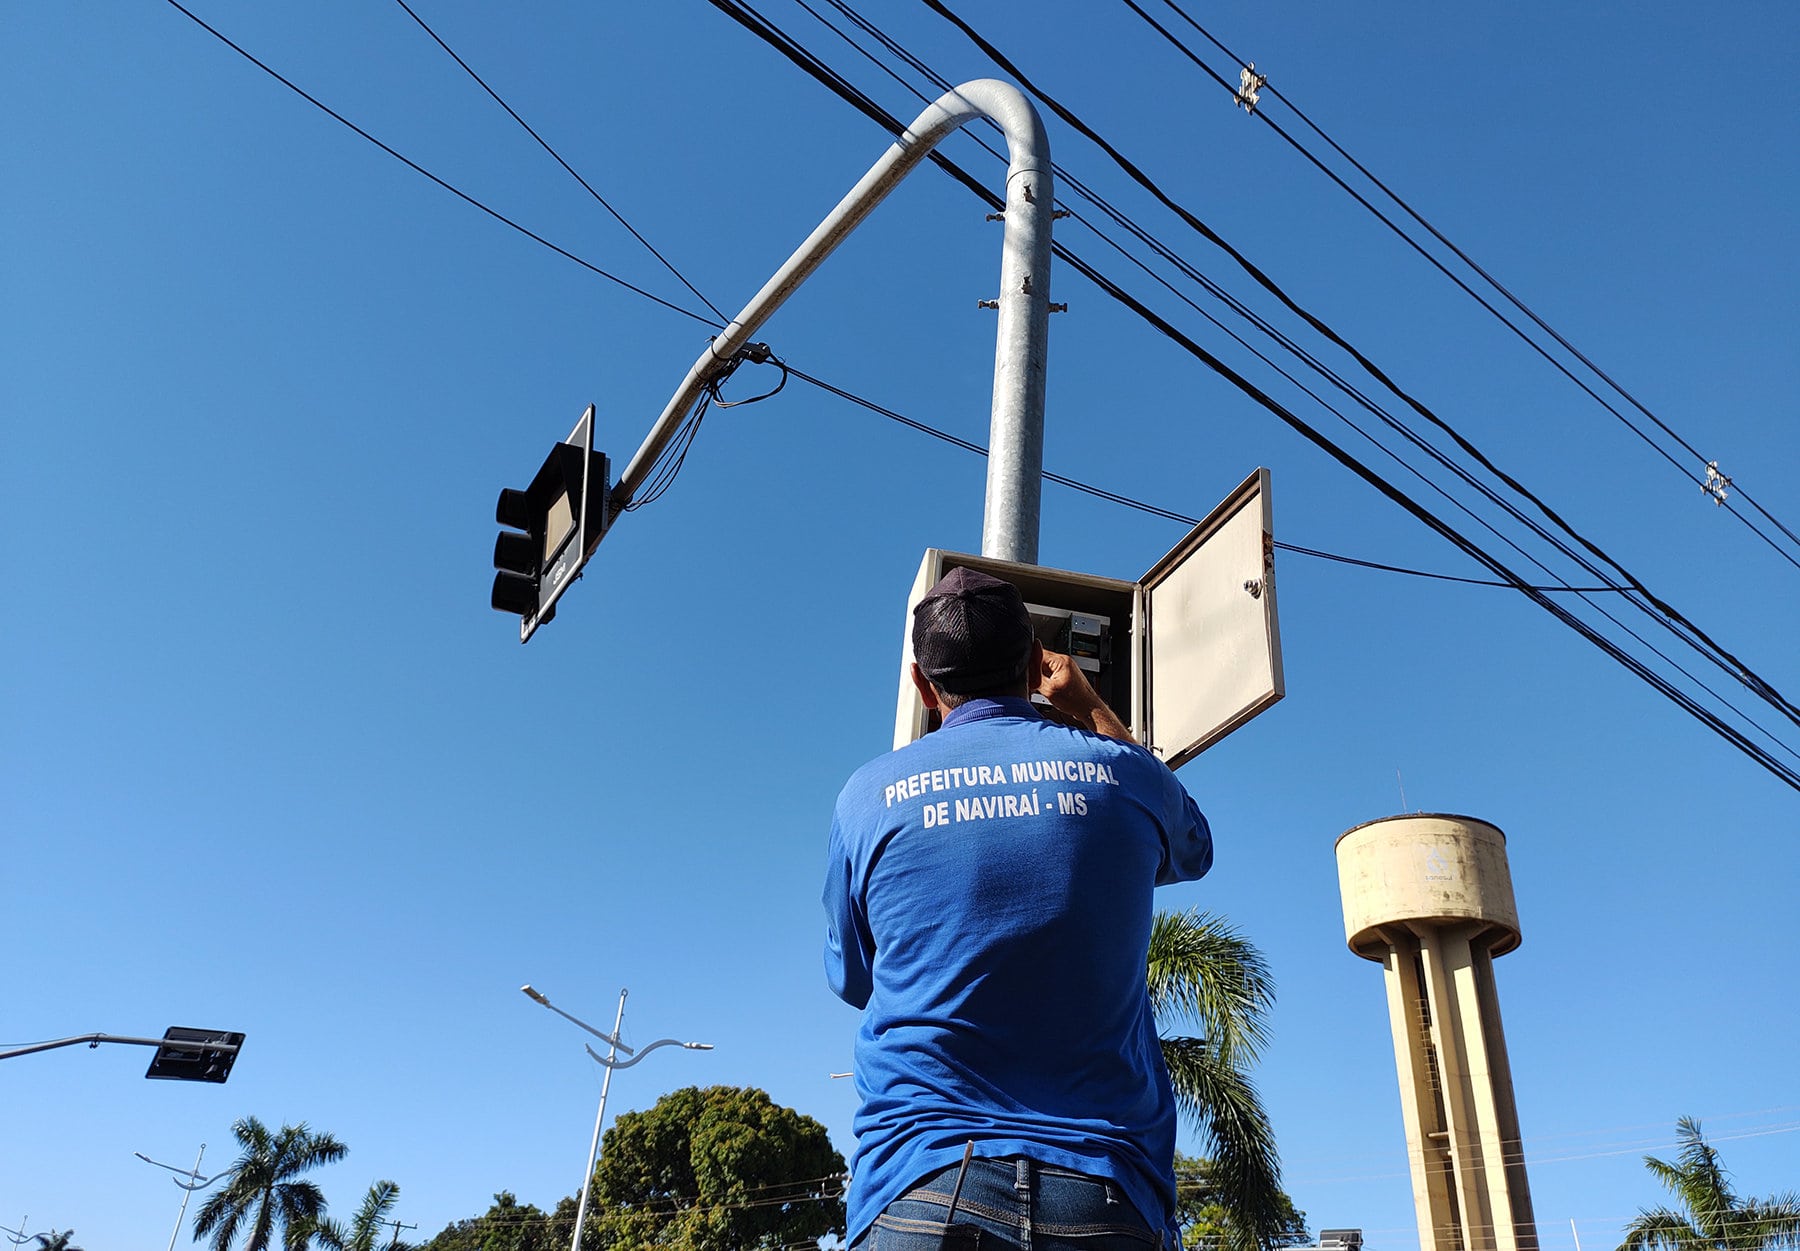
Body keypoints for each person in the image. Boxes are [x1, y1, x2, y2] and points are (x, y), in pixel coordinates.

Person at [823, 566, 1215, 1250]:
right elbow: (1194, 848)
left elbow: (852, 978)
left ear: (921, 684)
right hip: (1105, 1192)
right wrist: (1092, 708)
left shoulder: (866, 797)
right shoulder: (1121, 773)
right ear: (1038, 661)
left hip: (921, 1185)